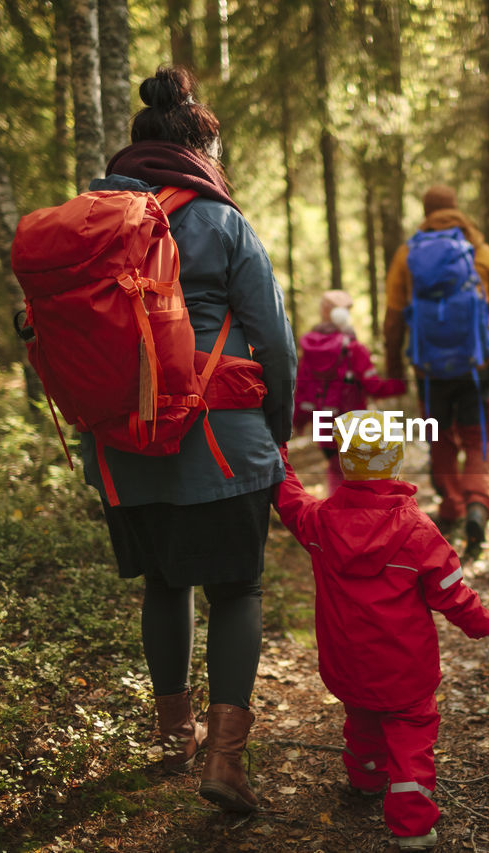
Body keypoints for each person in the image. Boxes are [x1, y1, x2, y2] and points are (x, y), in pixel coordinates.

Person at [77, 65, 296, 814]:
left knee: (164, 583)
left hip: (120, 444)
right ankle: (224, 763)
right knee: (237, 589)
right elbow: (275, 342)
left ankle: (173, 735)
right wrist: (275, 436)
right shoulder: (222, 221)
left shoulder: (91, 219)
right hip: (222, 442)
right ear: (202, 150)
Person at [271, 411, 489, 851]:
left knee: (361, 719)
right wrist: (484, 624)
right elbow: (451, 593)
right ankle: (412, 826)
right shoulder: (418, 531)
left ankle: (364, 779)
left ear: (344, 462)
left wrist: (277, 452)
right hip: (406, 671)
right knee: (411, 739)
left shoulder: (319, 521)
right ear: (395, 461)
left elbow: (289, 497)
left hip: (347, 664)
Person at [383, 185, 489, 560]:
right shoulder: (479, 251)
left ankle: (452, 505)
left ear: (425, 212)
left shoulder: (408, 254)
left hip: (429, 366)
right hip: (475, 363)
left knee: (439, 433)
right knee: (479, 432)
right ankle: (478, 502)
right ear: (456, 209)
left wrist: (393, 367)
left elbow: (393, 317)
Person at [293, 290, 405, 492]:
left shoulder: (309, 351)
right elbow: (374, 386)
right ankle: (356, 519)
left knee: (336, 471)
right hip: (353, 424)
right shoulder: (354, 349)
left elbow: (302, 388)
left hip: (323, 427)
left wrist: (298, 421)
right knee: (358, 477)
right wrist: (401, 384)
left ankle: (337, 516)